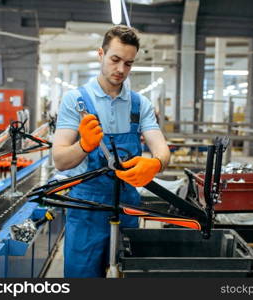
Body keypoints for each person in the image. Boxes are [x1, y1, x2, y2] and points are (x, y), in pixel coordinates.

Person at [52, 25, 170, 278]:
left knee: (127, 275)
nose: (121, 70)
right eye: (115, 60)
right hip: (87, 207)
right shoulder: (77, 101)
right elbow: (60, 161)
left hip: (126, 204)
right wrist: (83, 145)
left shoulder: (140, 104)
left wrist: (157, 163)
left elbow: (162, 149)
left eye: (128, 63)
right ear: (101, 54)